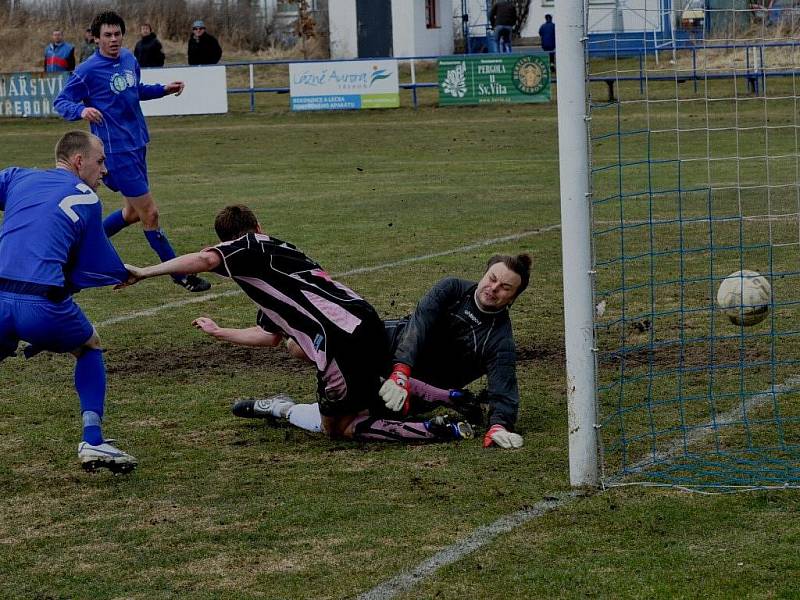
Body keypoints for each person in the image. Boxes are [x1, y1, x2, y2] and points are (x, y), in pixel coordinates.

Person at [120, 204, 474, 444]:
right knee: (303, 350)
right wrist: (220, 332)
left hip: (338, 338)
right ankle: (453, 396)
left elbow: (204, 258)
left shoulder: (247, 246)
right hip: (362, 320)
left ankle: (434, 430)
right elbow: (269, 335)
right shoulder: (276, 262)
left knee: (339, 427)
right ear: (260, 225)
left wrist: (145, 272)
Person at [232, 254, 531, 450]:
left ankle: (281, 408)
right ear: (484, 273)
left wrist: (499, 423)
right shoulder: (452, 289)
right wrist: (401, 369)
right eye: (492, 278)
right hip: (387, 345)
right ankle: (293, 396)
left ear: (514, 298)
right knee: (298, 346)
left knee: (339, 426)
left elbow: (504, 387)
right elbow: (419, 325)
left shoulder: (499, 340)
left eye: (505, 287)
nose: (493, 288)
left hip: (411, 391)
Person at [0, 131, 137, 474]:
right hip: (41, 306)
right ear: (79, 161)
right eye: (100, 161)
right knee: (89, 346)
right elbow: (88, 267)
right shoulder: (87, 198)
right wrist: (123, 271)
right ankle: (92, 441)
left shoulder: (18, 177)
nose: (104, 170)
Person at [54, 11, 211, 293]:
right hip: (115, 152)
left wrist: (163, 89)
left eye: (117, 34)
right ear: (97, 37)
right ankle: (180, 275)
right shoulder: (88, 70)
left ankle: (78, 246)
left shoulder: (128, 58)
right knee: (150, 213)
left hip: (138, 143)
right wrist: (82, 109)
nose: (113, 40)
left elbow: (134, 90)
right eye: (107, 35)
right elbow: (61, 100)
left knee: (132, 213)